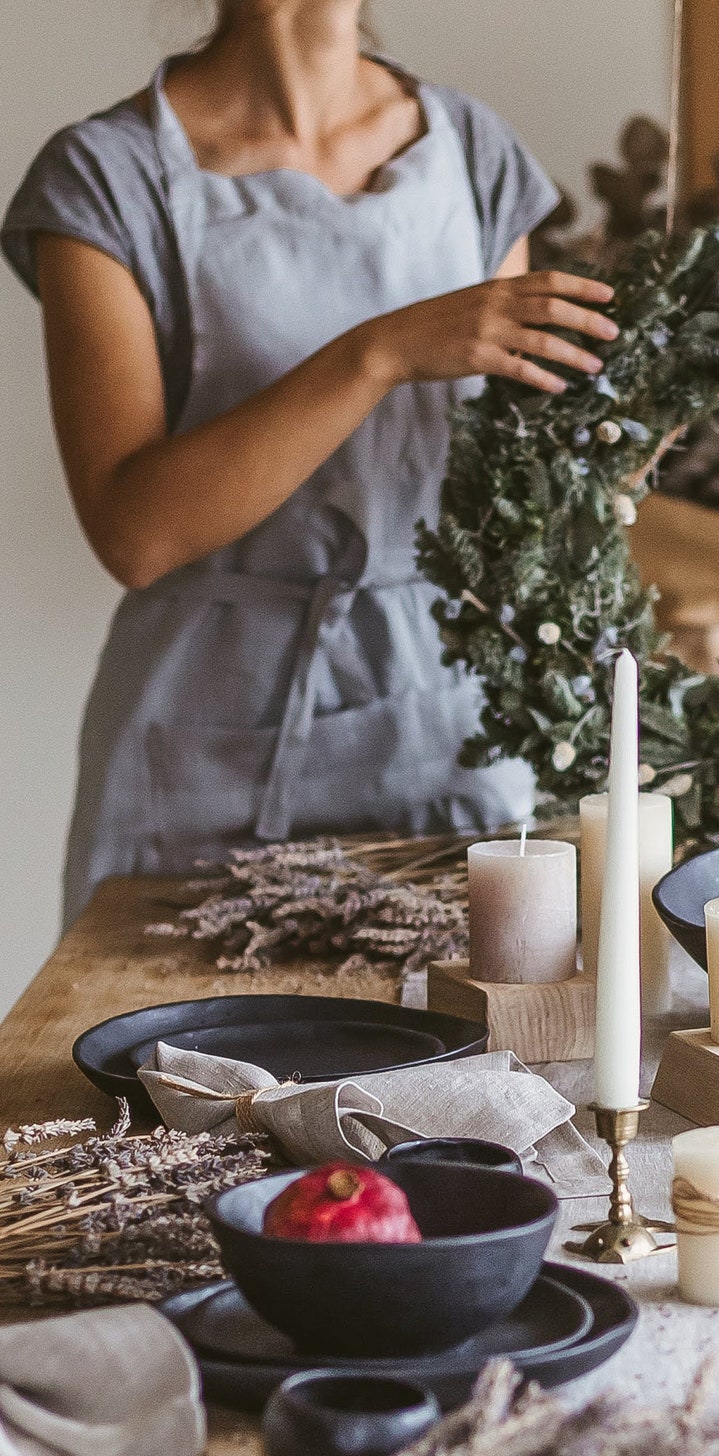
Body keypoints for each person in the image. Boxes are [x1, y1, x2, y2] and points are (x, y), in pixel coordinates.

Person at [2, 0, 619, 920]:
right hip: (204, 737)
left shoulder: (475, 155)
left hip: (445, 721)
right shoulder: (105, 178)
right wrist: (377, 355)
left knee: (465, 1056)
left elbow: (505, 492)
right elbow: (136, 533)